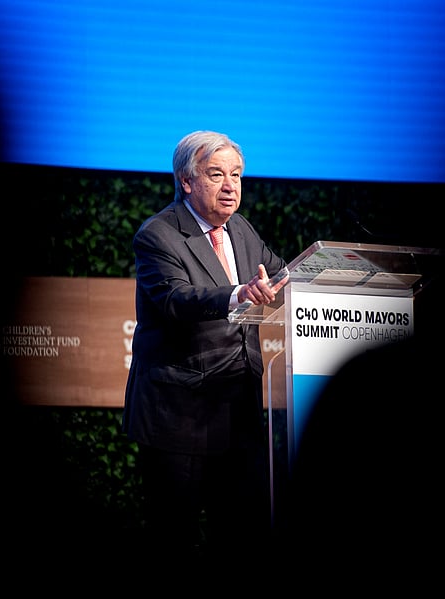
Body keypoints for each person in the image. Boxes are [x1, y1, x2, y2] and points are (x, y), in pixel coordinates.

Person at [122, 130, 289, 563]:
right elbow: (176, 300)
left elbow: (278, 275)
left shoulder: (242, 230)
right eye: (217, 174)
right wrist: (239, 294)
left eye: (236, 174)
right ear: (187, 180)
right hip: (180, 415)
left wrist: (313, 279)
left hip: (237, 410)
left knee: (237, 537)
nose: (230, 186)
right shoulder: (158, 235)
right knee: (173, 538)